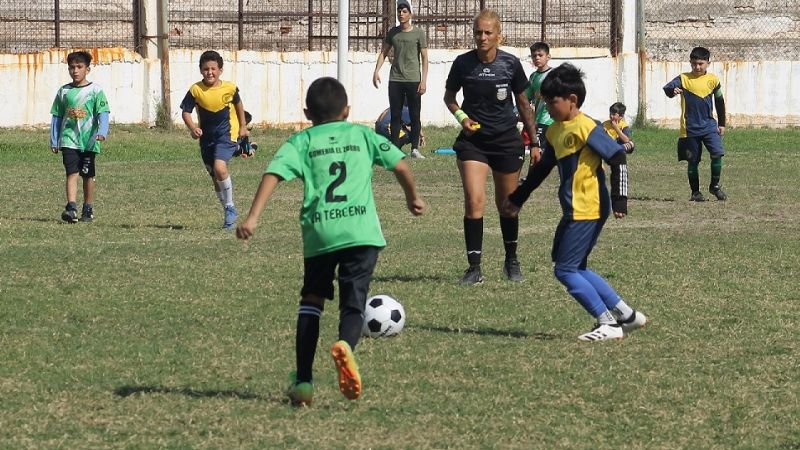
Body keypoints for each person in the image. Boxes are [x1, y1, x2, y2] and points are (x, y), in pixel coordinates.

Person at [236, 77, 425, 406]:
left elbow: (273, 174)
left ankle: (305, 383)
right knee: (353, 304)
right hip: (362, 233)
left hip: (321, 231)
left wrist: (252, 218)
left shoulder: (302, 141)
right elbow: (400, 163)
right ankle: (346, 347)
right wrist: (413, 197)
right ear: (347, 110)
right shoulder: (363, 135)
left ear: (307, 112)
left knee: (311, 301)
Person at [503, 63, 647, 342]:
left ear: (572, 100)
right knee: (574, 266)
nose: (547, 107)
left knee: (565, 270)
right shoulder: (556, 131)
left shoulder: (587, 126)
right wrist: (518, 198)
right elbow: (542, 169)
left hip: (588, 207)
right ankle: (626, 316)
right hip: (575, 208)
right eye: (544, 101)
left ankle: (607, 323)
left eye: (551, 102)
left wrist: (620, 200)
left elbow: (617, 157)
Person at [443, 9, 540, 285]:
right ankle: (474, 268)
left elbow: (523, 104)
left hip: (506, 141)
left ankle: (511, 260)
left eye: (487, 32)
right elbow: (449, 97)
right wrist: (462, 118)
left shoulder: (510, 64)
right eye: (478, 32)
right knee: (474, 201)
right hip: (473, 143)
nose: (482, 37)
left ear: (499, 35)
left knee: (508, 205)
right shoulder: (463, 64)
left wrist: (534, 142)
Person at [180, 50, 250, 229]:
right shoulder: (195, 90)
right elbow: (186, 112)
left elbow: (239, 105)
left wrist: (242, 126)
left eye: (213, 69)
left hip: (226, 134)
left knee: (220, 168)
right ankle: (227, 210)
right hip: (206, 139)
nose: (209, 72)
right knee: (215, 177)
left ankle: (230, 207)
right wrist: (193, 127)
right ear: (200, 70)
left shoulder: (230, 88)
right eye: (205, 69)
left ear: (220, 70)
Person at [50, 50, 110, 223]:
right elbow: (57, 116)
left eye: (79, 67)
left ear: (87, 69)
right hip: (69, 139)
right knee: (71, 172)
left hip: (89, 141)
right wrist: (54, 139)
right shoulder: (64, 92)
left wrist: (102, 132)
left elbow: (103, 112)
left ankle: (88, 208)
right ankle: (71, 208)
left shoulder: (96, 91)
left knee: (87, 174)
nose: (75, 71)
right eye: (72, 67)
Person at [663, 46, 727, 202]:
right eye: (694, 64)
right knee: (693, 161)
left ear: (708, 63)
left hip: (709, 127)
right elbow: (667, 88)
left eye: (700, 63)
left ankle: (714, 186)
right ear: (690, 63)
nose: (697, 67)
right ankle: (695, 192)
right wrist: (673, 91)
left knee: (717, 153)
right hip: (690, 128)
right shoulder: (683, 78)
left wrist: (722, 123)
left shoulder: (713, 80)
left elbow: (719, 101)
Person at [372, 0, 428, 159]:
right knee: (396, 115)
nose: (401, 14)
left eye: (404, 11)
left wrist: (423, 80)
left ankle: (415, 149)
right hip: (395, 79)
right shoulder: (393, 32)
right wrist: (376, 71)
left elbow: (424, 58)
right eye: (399, 11)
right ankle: (396, 149)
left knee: (415, 115)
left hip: (413, 80)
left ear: (410, 14)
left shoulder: (418, 33)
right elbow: (383, 52)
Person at [520, 41, 554, 178]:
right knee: (537, 148)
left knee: (537, 148)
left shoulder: (554, 75)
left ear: (548, 56)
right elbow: (526, 98)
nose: (537, 58)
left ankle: (531, 178)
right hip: (537, 119)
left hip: (550, 120)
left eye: (540, 55)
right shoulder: (533, 77)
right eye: (534, 56)